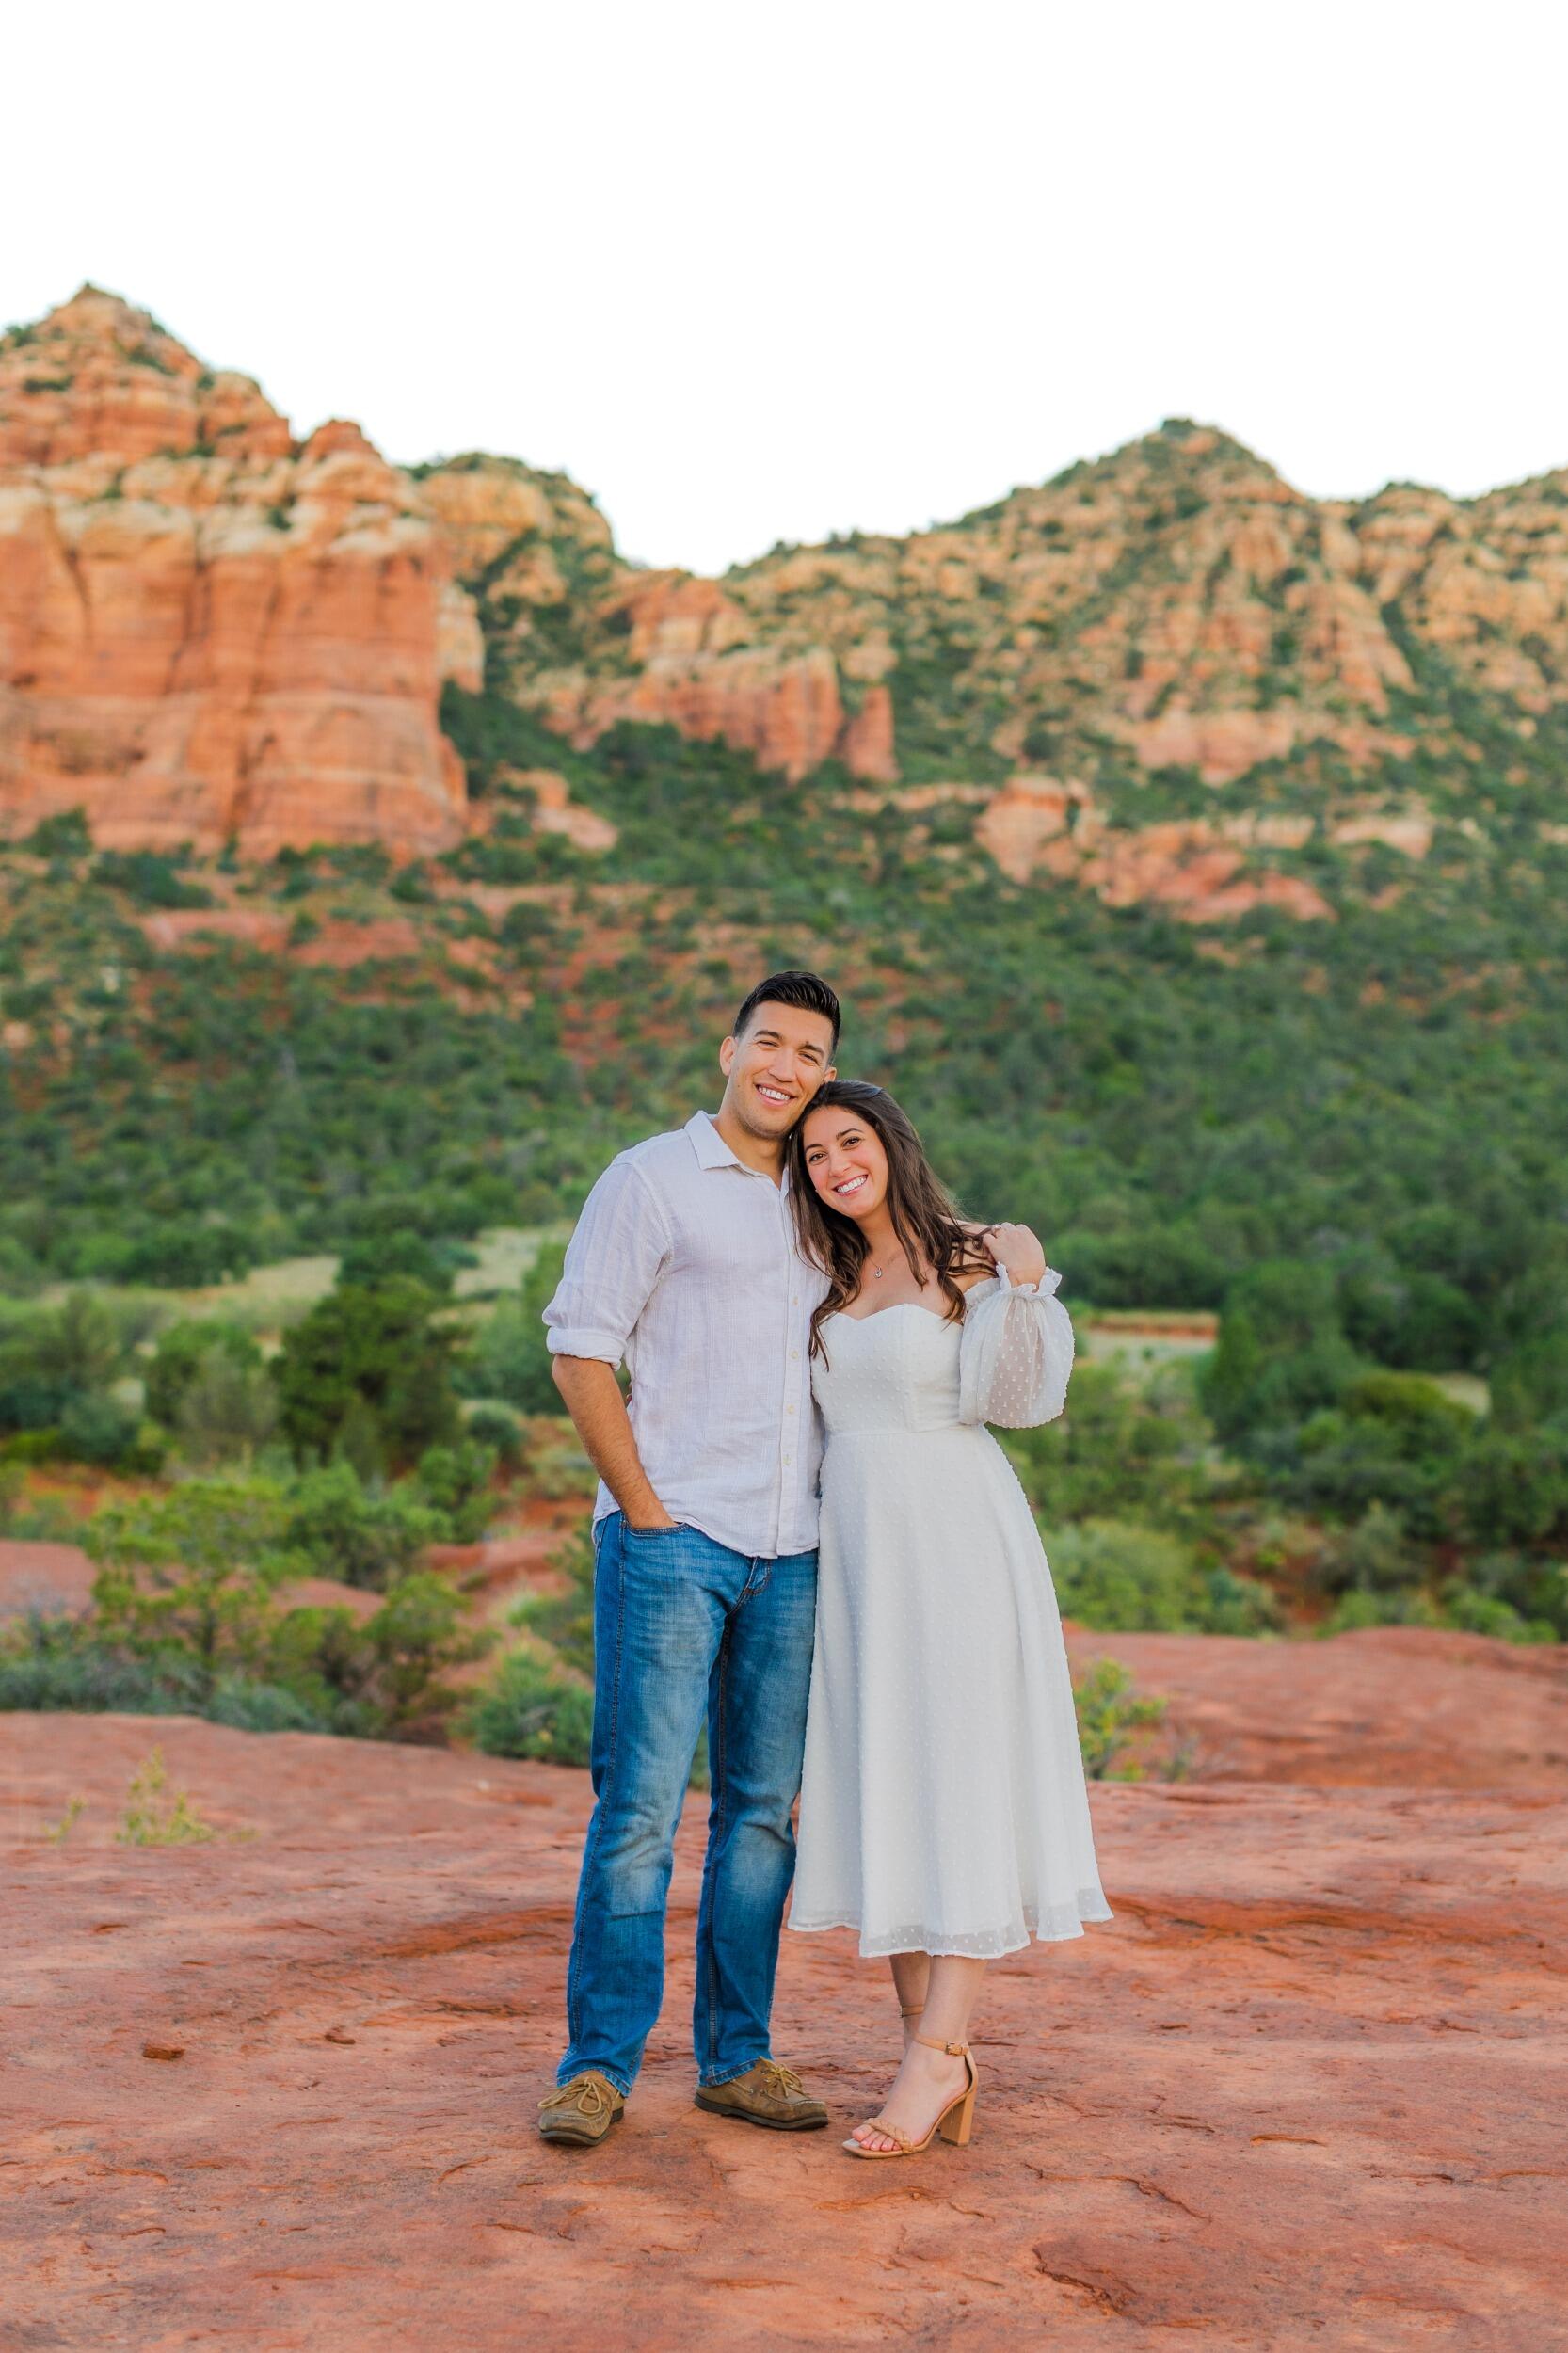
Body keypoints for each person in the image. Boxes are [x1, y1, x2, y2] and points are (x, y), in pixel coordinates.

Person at [536, 971, 840, 2147]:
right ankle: (598, 2064)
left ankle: (737, 2057)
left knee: (762, 1815)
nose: (786, 1066)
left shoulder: (826, 1197)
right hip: (675, 1539)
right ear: (728, 1049)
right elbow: (578, 1351)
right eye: (770, 1041)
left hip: (797, 1549)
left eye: (810, 1053)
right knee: (641, 1812)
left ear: (824, 1075)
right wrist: (645, 1512)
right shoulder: (650, 1177)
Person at [783, 1079, 1112, 2160]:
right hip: (861, 1554)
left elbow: (1022, 1404)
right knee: (892, 1778)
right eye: (816, 1152)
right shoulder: (825, 1272)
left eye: (852, 1140)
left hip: (957, 1539)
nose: (836, 1163)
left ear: (890, 1143)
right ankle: (932, 2048)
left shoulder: (967, 1252)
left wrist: (1021, 1286)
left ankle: (937, 2055)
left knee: (956, 1775)